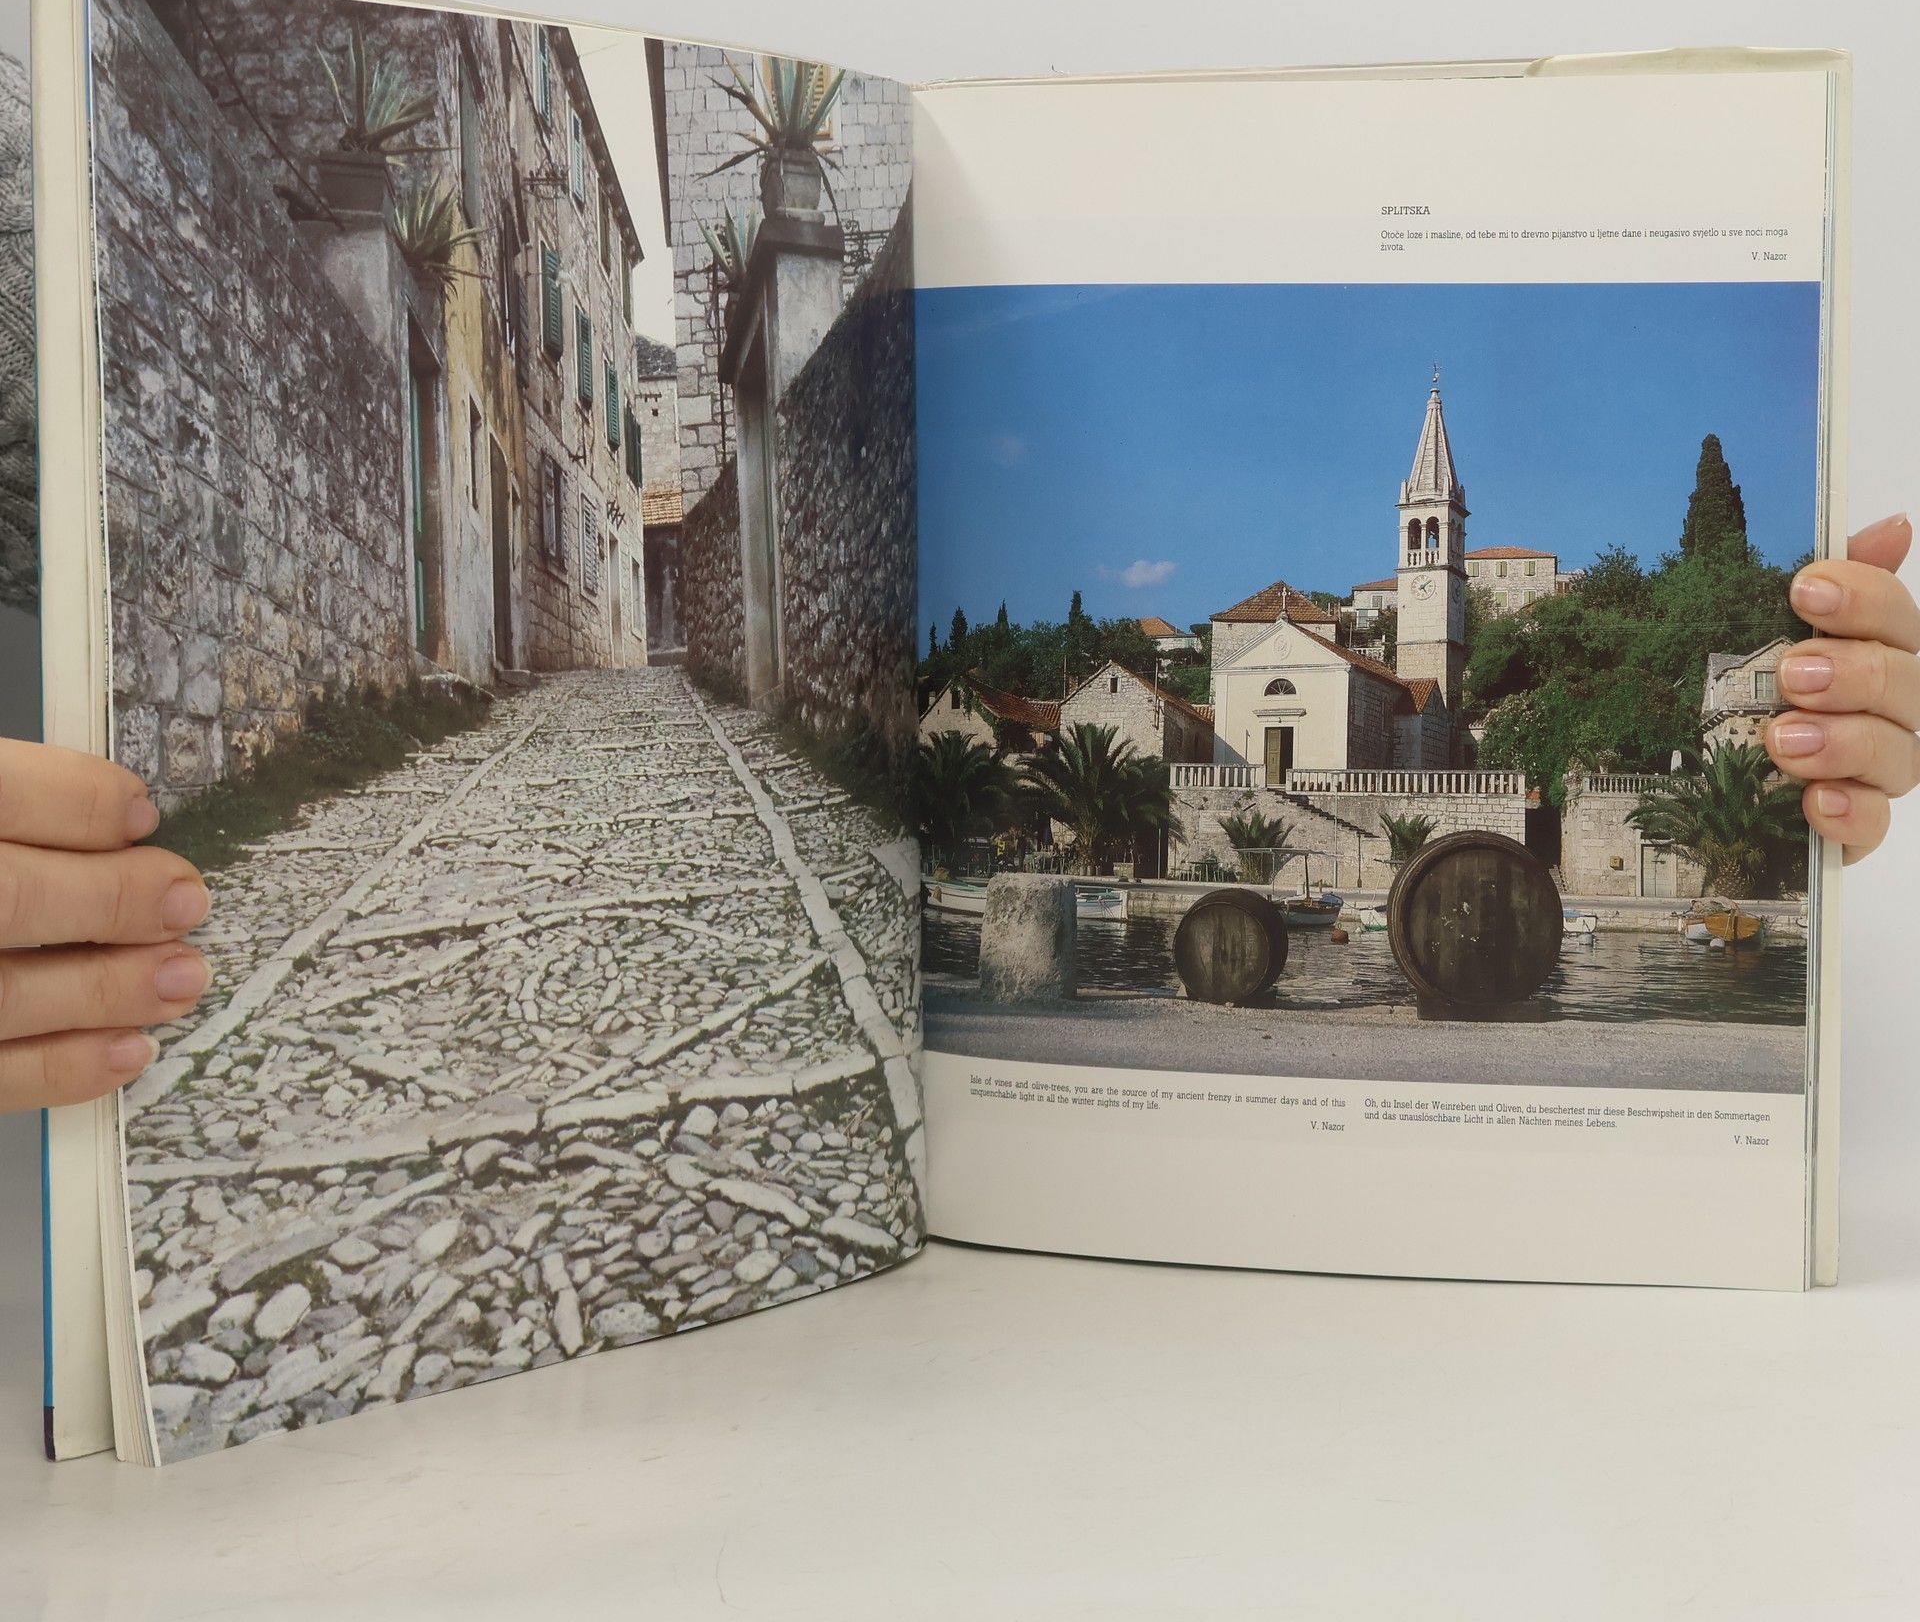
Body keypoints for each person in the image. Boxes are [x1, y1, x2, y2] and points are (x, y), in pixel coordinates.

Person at [2, 522, 1913, 1114]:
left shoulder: (1389, 682)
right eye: (1422, 531)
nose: (1425, 544)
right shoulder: (1215, 680)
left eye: (1433, 534)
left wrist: (1840, 721)